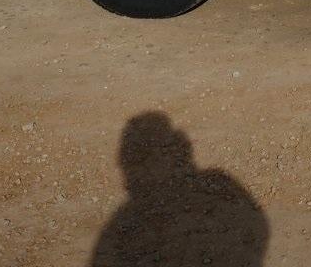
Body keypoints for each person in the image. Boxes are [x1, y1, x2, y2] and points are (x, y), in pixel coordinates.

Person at [90, 111, 269, 266]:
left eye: (143, 160)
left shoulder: (126, 222)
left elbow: (255, 231)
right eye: (138, 161)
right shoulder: (128, 222)